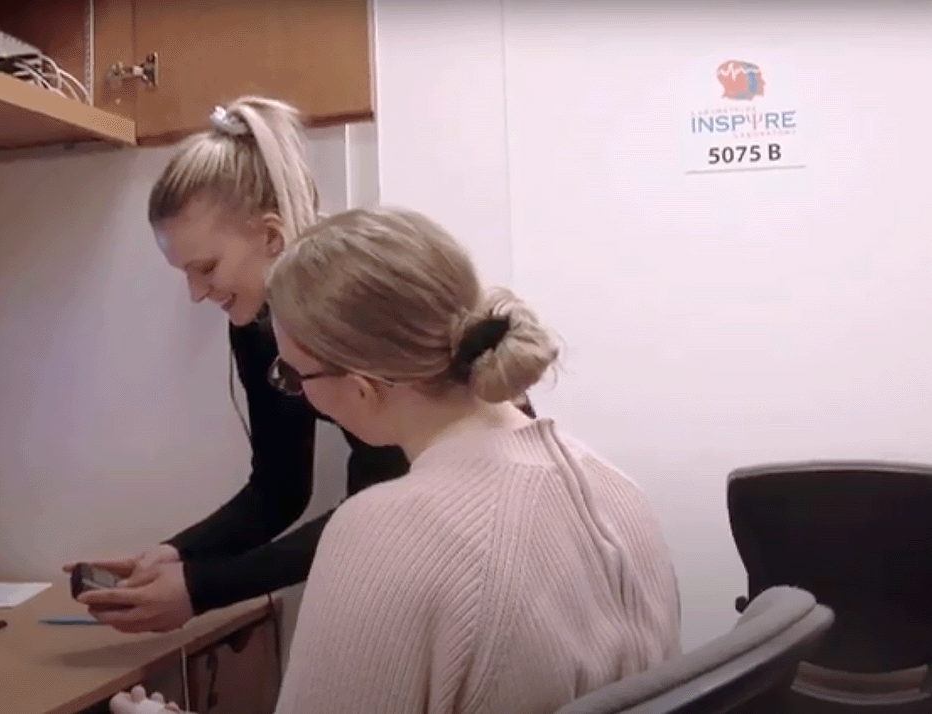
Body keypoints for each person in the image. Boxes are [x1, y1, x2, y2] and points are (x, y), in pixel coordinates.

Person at [111, 206, 681, 714]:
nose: (293, 389)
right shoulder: (618, 491)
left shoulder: (381, 535)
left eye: (291, 376)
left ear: (362, 390)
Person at [71, 97, 508, 633]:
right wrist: (177, 556)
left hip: (478, 534)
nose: (194, 294)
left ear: (271, 236)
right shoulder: (255, 326)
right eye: (184, 273)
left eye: (205, 268)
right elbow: (280, 488)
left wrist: (201, 589)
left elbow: (377, 504)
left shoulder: (359, 301)